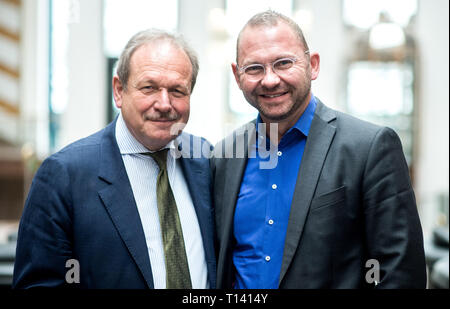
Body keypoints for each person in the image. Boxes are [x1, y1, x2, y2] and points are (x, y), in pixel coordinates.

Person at [212, 10, 426, 289]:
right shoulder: (223, 157)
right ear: (237, 76)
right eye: (254, 68)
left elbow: (399, 273)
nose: (269, 79)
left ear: (312, 65)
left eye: (283, 63)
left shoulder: (369, 148)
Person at [13, 29, 216, 289]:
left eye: (177, 90)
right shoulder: (64, 176)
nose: (164, 104)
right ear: (119, 91)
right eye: (149, 88)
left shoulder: (206, 160)